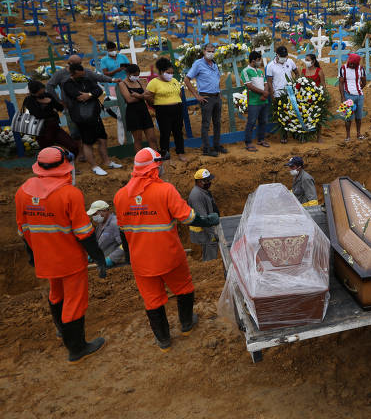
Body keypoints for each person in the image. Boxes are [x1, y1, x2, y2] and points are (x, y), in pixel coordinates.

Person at [113, 148, 220, 351]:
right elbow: (188, 217)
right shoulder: (166, 190)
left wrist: (129, 258)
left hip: (141, 262)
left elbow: (123, 232)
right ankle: (187, 324)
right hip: (169, 256)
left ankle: (163, 341)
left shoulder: (120, 197)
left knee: (152, 301)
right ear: (155, 168)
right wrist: (207, 220)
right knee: (184, 288)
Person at [15, 146, 107, 363]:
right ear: (64, 166)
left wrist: (33, 255)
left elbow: (23, 230)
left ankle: (61, 330)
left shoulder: (22, 192)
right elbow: (84, 233)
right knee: (74, 301)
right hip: (70, 259)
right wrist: (99, 257)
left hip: (44, 258)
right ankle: (77, 348)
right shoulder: (69, 194)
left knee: (56, 294)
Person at [46, 54, 118, 161]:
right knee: (75, 131)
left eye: (80, 63)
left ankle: (89, 150)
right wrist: (58, 101)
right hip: (71, 107)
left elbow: (98, 77)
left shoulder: (85, 72)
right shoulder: (61, 75)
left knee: (92, 131)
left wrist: (112, 80)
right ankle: (80, 153)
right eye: (77, 64)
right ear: (70, 65)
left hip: (89, 107)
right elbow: (49, 85)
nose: (80, 66)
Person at [61, 63, 122, 176]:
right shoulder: (67, 84)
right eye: (80, 74)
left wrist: (88, 94)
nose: (83, 76)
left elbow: (98, 90)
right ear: (73, 74)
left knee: (102, 138)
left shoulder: (86, 79)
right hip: (82, 118)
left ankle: (107, 161)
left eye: (83, 73)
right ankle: (94, 166)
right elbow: (78, 97)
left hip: (95, 114)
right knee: (87, 142)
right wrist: (90, 94)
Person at [184, 43, 227, 157]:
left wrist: (218, 92)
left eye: (213, 51)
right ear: (204, 51)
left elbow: (216, 79)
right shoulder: (198, 64)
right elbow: (187, 79)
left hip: (217, 97)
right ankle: (206, 149)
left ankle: (217, 145)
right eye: (209, 51)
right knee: (206, 124)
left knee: (217, 123)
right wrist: (196, 95)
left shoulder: (214, 64)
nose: (211, 53)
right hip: (206, 97)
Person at [22, 80, 78, 156]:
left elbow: (59, 107)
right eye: (41, 90)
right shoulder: (29, 100)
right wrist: (51, 109)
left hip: (55, 127)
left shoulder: (47, 95)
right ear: (35, 91)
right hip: (42, 131)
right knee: (48, 153)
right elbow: (39, 115)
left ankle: (67, 158)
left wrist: (51, 102)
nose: (43, 90)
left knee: (74, 147)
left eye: (43, 88)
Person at [146, 58, 186, 162]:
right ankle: (165, 154)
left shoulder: (174, 81)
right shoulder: (154, 82)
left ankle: (180, 153)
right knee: (165, 133)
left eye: (172, 72)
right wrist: (156, 106)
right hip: (162, 110)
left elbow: (180, 94)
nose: (170, 75)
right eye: (168, 72)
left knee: (178, 131)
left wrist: (176, 102)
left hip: (176, 109)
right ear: (161, 71)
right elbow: (148, 96)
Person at [118, 64, 158, 154]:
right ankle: (140, 161)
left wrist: (138, 95)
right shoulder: (122, 84)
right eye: (134, 75)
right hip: (133, 113)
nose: (136, 77)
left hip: (144, 111)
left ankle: (156, 158)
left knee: (152, 138)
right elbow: (129, 99)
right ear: (128, 74)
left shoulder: (140, 82)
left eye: (137, 75)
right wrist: (143, 96)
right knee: (138, 139)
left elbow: (148, 96)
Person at [266, 45, 299, 143]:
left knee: (293, 114)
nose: (284, 58)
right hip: (278, 94)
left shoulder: (290, 61)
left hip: (291, 93)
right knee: (282, 116)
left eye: (286, 56)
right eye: (282, 56)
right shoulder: (270, 66)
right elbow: (269, 82)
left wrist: (296, 83)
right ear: (277, 55)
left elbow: (297, 73)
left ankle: (294, 133)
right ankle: (284, 135)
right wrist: (272, 95)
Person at [188, 168, 220, 261]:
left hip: (206, 231)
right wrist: (212, 234)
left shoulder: (203, 192)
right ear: (199, 182)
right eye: (206, 181)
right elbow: (203, 219)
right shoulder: (196, 196)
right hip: (203, 233)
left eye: (209, 180)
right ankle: (210, 270)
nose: (209, 182)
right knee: (210, 256)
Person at [242, 51, 270, 151]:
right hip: (254, 102)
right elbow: (249, 86)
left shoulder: (260, 71)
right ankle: (248, 143)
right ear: (253, 60)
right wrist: (264, 93)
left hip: (263, 101)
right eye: (259, 60)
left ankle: (261, 139)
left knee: (263, 121)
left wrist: (265, 94)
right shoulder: (246, 71)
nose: (260, 62)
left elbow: (266, 83)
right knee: (251, 122)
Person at [86, 200, 125, 267]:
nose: (93, 217)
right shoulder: (100, 225)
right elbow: (100, 243)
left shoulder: (115, 224)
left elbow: (125, 245)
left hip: (117, 265)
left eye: (95, 214)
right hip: (102, 263)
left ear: (104, 211)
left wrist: (111, 259)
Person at [338, 53, 366, 141]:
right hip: (348, 96)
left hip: (359, 96)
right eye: (351, 63)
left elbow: (364, 81)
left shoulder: (361, 69)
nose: (352, 65)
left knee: (358, 117)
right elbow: (341, 83)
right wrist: (342, 97)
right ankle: (348, 136)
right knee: (348, 117)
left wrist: (358, 89)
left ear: (357, 63)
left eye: (354, 64)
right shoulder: (343, 68)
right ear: (348, 61)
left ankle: (358, 134)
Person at [302, 53, 326, 142]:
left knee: (317, 117)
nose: (306, 62)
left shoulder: (319, 71)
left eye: (308, 60)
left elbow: (323, 85)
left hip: (316, 97)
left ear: (313, 61)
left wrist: (322, 96)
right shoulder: (304, 71)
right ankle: (306, 136)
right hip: (305, 98)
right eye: (306, 60)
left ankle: (319, 136)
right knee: (305, 116)